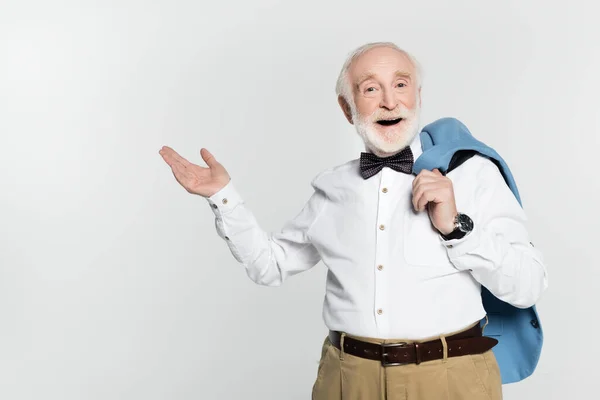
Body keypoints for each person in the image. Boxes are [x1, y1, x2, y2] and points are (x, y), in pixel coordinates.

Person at [159, 42, 548, 399]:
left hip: (450, 378)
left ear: (418, 97)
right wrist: (223, 197)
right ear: (348, 108)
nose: (389, 102)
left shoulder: (471, 174)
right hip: (347, 379)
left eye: (400, 85)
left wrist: (455, 226)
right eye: (370, 89)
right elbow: (269, 266)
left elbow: (527, 286)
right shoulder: (333, 190)